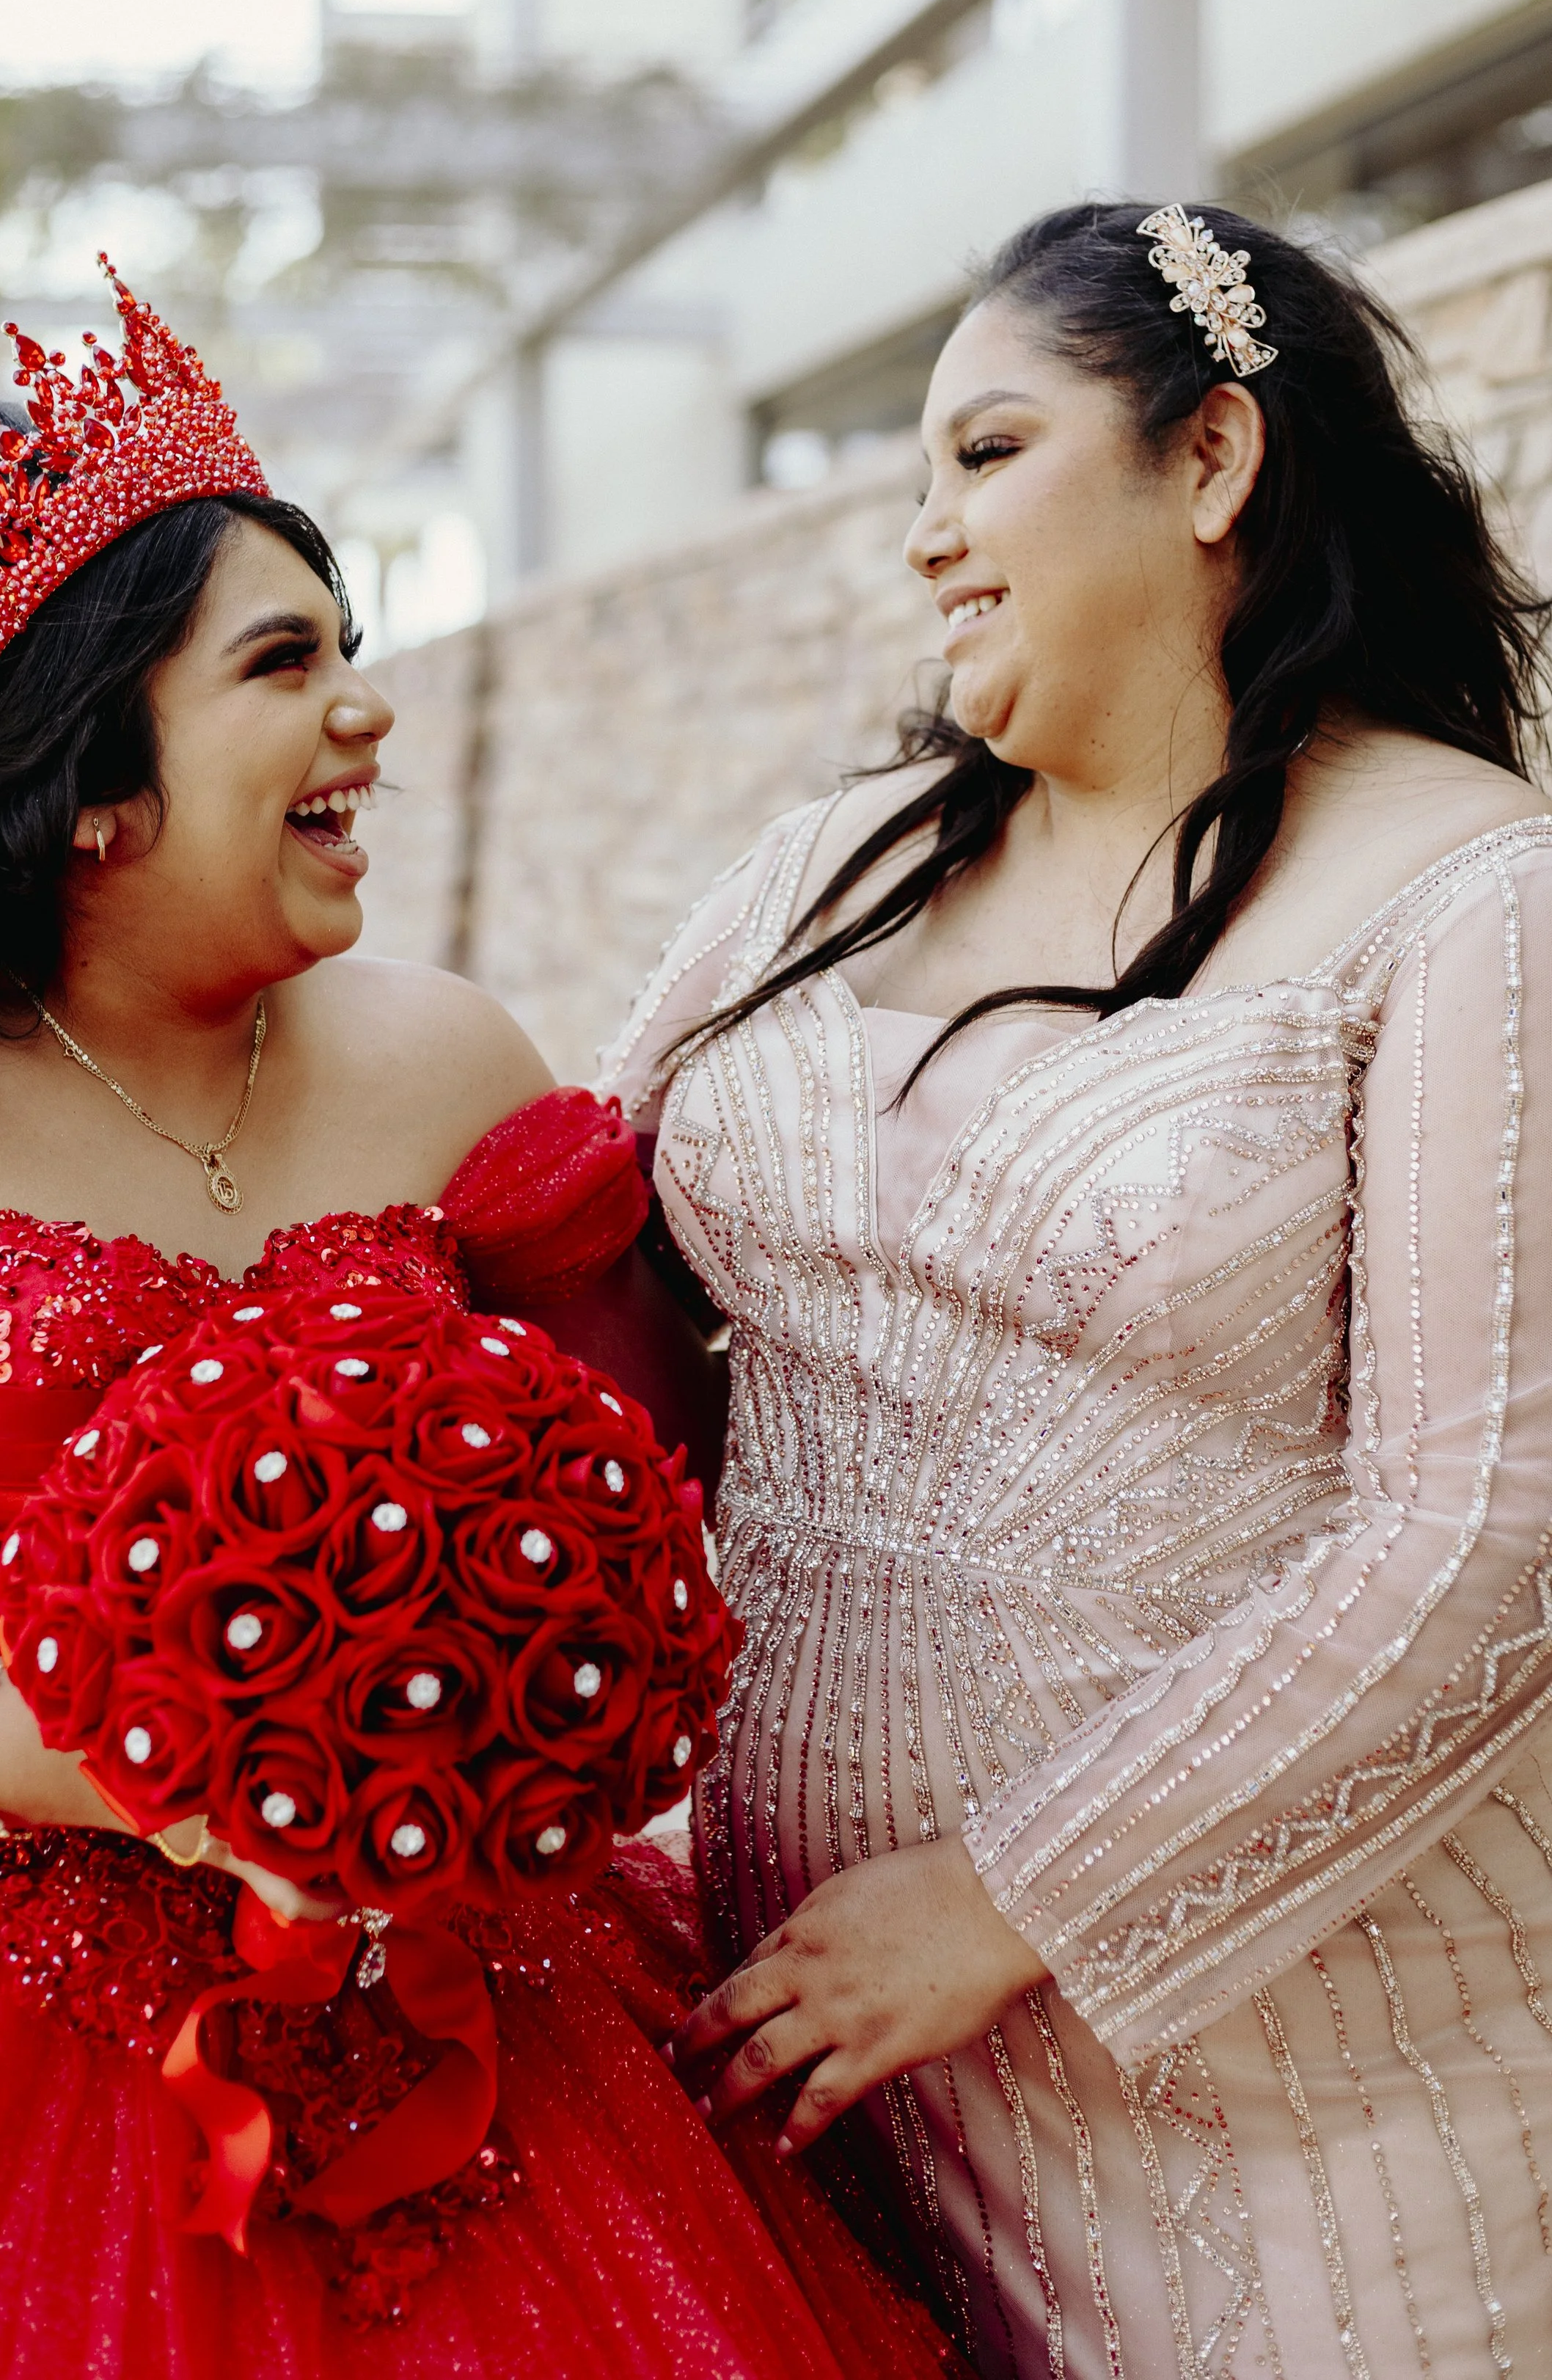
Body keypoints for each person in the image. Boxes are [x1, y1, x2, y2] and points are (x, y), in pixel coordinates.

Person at [0, 268, 958, 2379]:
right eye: (285, 662)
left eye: (349, 647)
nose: (363, 713)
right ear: (88, 771)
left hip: (469, 2017)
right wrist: (107, 1758)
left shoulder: (445, 1062)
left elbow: (653, 1499)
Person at [609, 198, 1552, 2379]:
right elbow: (565, 1263)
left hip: (1295, 2102)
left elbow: (1489, 1527)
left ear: (1210, 459)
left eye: (988, 450)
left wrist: (1001, 1899)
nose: (924, 533)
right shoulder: (824, 871)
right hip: (808, 2064)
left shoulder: (1468, 894)